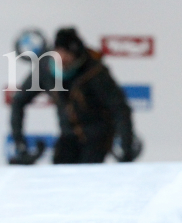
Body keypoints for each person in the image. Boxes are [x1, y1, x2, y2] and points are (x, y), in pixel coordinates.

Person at [10, 27, 141, 165]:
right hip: (68, 134)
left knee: (87, 174)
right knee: (60, 173)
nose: (63, 59)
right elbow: (19, 101)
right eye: (59, 53)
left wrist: (126, 145)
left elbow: (120, 108)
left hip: (98, 134)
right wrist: (20, 143)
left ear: (77, 56)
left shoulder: (95, 72)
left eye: (67, 55)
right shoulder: (45, 69)